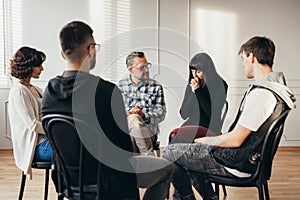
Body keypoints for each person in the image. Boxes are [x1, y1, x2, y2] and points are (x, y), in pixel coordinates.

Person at [41, 21, 173, 200]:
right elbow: (124, 148)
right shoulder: (106, 92)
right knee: (167, 167)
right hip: (109, 180)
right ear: (91, 49)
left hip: (68, 180)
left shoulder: (50, 91)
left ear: (63, 54)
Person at [162, 36, 296, 200]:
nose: (243, 64)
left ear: (252, 56)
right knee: (183, 155)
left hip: (235, 162)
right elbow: (184, 112)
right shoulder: (275, 90)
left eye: (243, 58)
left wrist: (206, 141)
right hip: (244, 158)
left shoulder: (262, 94)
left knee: (169, 153)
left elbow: (235, 140)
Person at [8, 46, 52, 179]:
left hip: (46, 141)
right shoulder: (19, 91)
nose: (42, 69)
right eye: (38, 65)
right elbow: (32, 124)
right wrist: (56, 130)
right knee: (76, 152)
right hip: (37, 147)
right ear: (28, 66)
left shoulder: (35, 88)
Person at [169, 53, 228, 144]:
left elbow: (212, 114)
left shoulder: (220, 85)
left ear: (207, 71)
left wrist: (198, 91)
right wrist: (194, 92)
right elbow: (184, 114)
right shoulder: (192, 85)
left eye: (198, 71)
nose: (195, 75)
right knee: (174, 136)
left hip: (210, 126)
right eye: (192, 71)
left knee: (176, 136)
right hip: (192, 124)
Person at [118, 51, 167, 153]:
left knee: (134, 119)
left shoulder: (156, 87)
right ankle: (149, 160)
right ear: (131, 69)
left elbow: (161, 114)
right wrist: (126, 113)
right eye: (142, 67)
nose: (147, 70)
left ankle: (143, 161)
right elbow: (114, 114)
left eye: (147, 65)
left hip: (149, 132)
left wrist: (143, 115)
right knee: (132, 120)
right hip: (127, 132)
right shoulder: (120, 86)